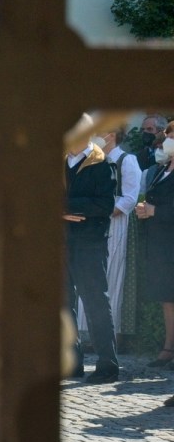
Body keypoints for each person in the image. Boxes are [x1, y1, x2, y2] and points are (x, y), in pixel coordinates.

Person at [64, 134, 119, 384]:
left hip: (90, 243)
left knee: (96, 301)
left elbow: (104, 205)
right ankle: (71, 363)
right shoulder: (59, 162)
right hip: (60, 242)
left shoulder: (102, 163)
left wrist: (67, 206)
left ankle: (107, 364)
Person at [80, 125, 140, 341]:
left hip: (114, 224)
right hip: (88, 224)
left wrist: (103, 209)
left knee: (110, 275)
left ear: (111, 135)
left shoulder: (126, 160)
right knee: (87, 275)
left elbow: (130, 198)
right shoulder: (91, 159)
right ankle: (85, 332)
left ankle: (109, 334)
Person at [136, 127, 174, 367]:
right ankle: (169, 347)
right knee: (167, 298)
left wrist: (155, 211)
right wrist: (145, 209)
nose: (168, 140)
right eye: (168, 136)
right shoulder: (163, 168)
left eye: (172, 137)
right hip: (160, 242)